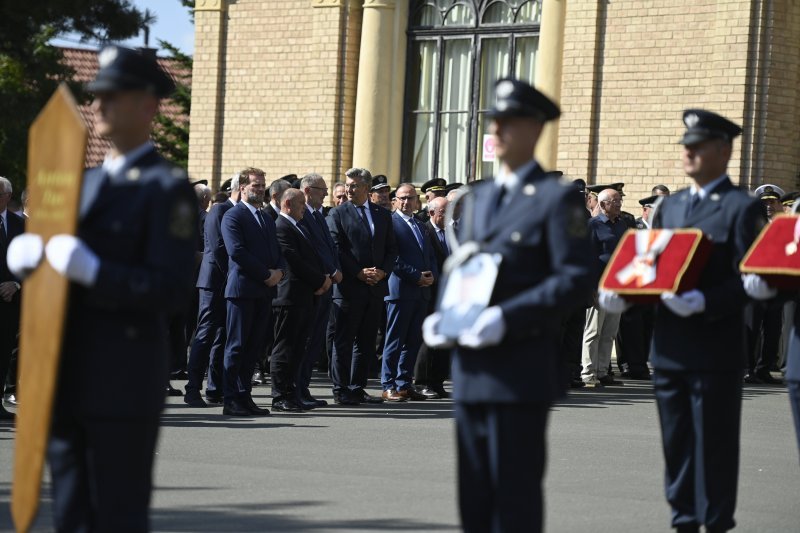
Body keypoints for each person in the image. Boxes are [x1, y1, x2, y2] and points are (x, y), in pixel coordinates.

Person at [7, 45, 198, 530]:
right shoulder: (84, 183)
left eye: (115, 96)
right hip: (64, 372)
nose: (99, 106)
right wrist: (34, 263)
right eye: (97, 97)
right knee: (70, 513)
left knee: (116, 514)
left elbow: (171, 290)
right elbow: (61, 276)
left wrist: (96, 272)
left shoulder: (165, 187)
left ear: (149, 106)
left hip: (123, 378)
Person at [423, 78, 592, 533]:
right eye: (494, 120)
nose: (496, 129)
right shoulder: (480, 199)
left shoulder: (558, 199)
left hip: (521, 368)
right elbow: (467, 266)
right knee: (473, 498)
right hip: (472, 369)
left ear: (535, 128)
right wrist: (446, 312)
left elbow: (575, 278)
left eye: (508, 121)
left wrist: (506, 317)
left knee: (514, 496)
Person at [601, 109, 764, 533]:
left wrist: (706, 301)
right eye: (685, 146)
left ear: (723, 151)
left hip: (716, 346)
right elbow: (654, 266)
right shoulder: (671, 207)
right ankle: (684, 520)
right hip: (670, 348)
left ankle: (714, 521)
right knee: (677, 444)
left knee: (714, 443)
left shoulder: (741, 208)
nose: (688, 153)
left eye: (698, 146)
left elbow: (752, 278)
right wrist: (625, 292)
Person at [326, 167, 398, 405]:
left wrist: (382, 272)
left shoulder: (382, 214)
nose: (349, 189)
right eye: (347, 185)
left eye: (354, 185)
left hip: (375, 288)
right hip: (349, 287)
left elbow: (391, 249)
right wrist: (358, 272)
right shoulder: (338, 213)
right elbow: (337, 248)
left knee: (366, 342)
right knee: (344, 341)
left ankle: (357, 387)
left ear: (366, 188)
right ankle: (340, 389)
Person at [220, 167, 286, 416]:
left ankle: (244, 396)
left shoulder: (266, 218)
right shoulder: (233, 216)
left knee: (254, 348)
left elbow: (276, 250)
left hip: (264, 291)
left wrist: (279, 270)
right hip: (242, 290)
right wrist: (266, 274)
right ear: (242, 187)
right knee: (236, 346)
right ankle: (230, 399)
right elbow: (236, 251)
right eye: (255, 185)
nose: (259, 189)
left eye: (262, 185)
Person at [271, 188, 331, 411]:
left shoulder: (297, 225)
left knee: (298, 348)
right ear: (288, 204)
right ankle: (280, 396)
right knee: (285, 347)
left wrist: (324, 278)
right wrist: (320, 281)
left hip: (305, 296)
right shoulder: (281, 226)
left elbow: (312, 256)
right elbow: (294, 260)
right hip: (290, 297)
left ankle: (292, 392)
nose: (304, 209)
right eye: (300, 204)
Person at [184, 174, 241, 407]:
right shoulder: (220, 210)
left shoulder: (237, 211)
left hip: (228, 282)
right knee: (205, 335)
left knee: (222, 336)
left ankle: (215, 388)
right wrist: (232, 276)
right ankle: (192, 388)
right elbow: (218, 249)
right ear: (240, 188)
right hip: (214, 282)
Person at [380, 183, 436, 402]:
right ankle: (388, 384)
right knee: (395, 340)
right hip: (400, 290)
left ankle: (404, 384)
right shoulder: (390, 223)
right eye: (402, 198)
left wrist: (432, 276)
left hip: (421, 291)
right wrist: (416, 276)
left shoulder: (421, 225)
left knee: (413, 341)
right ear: (395, 200)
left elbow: (429, 255)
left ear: (416, 201)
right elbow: (393, 258)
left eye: (410, 198)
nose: (406, 202)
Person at [297, 173, 342, 407]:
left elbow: (329, 247)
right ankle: (295, 389)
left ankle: (303, 388)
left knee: (314, 341)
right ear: (307, 190)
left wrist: (335, 270)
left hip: (326, 286)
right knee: (303, 342)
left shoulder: (319, 215)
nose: (326, 194)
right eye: (321, 189)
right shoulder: (301, 215)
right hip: (313, 287)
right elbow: (311, 251)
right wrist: (328, 273)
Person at [581, 188, 627, 387]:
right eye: (614, 201)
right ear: (602, 204)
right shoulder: (593, 225)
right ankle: (588, 373)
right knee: (594, 331)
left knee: (610, 331)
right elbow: (588, 257)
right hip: (599, 285)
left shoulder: (621, 225)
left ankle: (602, 370)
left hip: (617, 285)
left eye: (619, 201)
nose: (619, 204)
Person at [414, 196, 452, 398]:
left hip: (450, 295)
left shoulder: (452, 233)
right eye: (444, 211)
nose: (449, 216)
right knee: (428, 340)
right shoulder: (424, 231)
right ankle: (422, 382)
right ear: (431, 213)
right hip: (431, 292)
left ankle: (438, 382)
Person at [0, 176, 24, 420]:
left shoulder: (20, 225)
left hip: (10, 301)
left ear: (7, 196)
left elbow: (31, 261)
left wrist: (16, 283)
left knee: (5, 352)